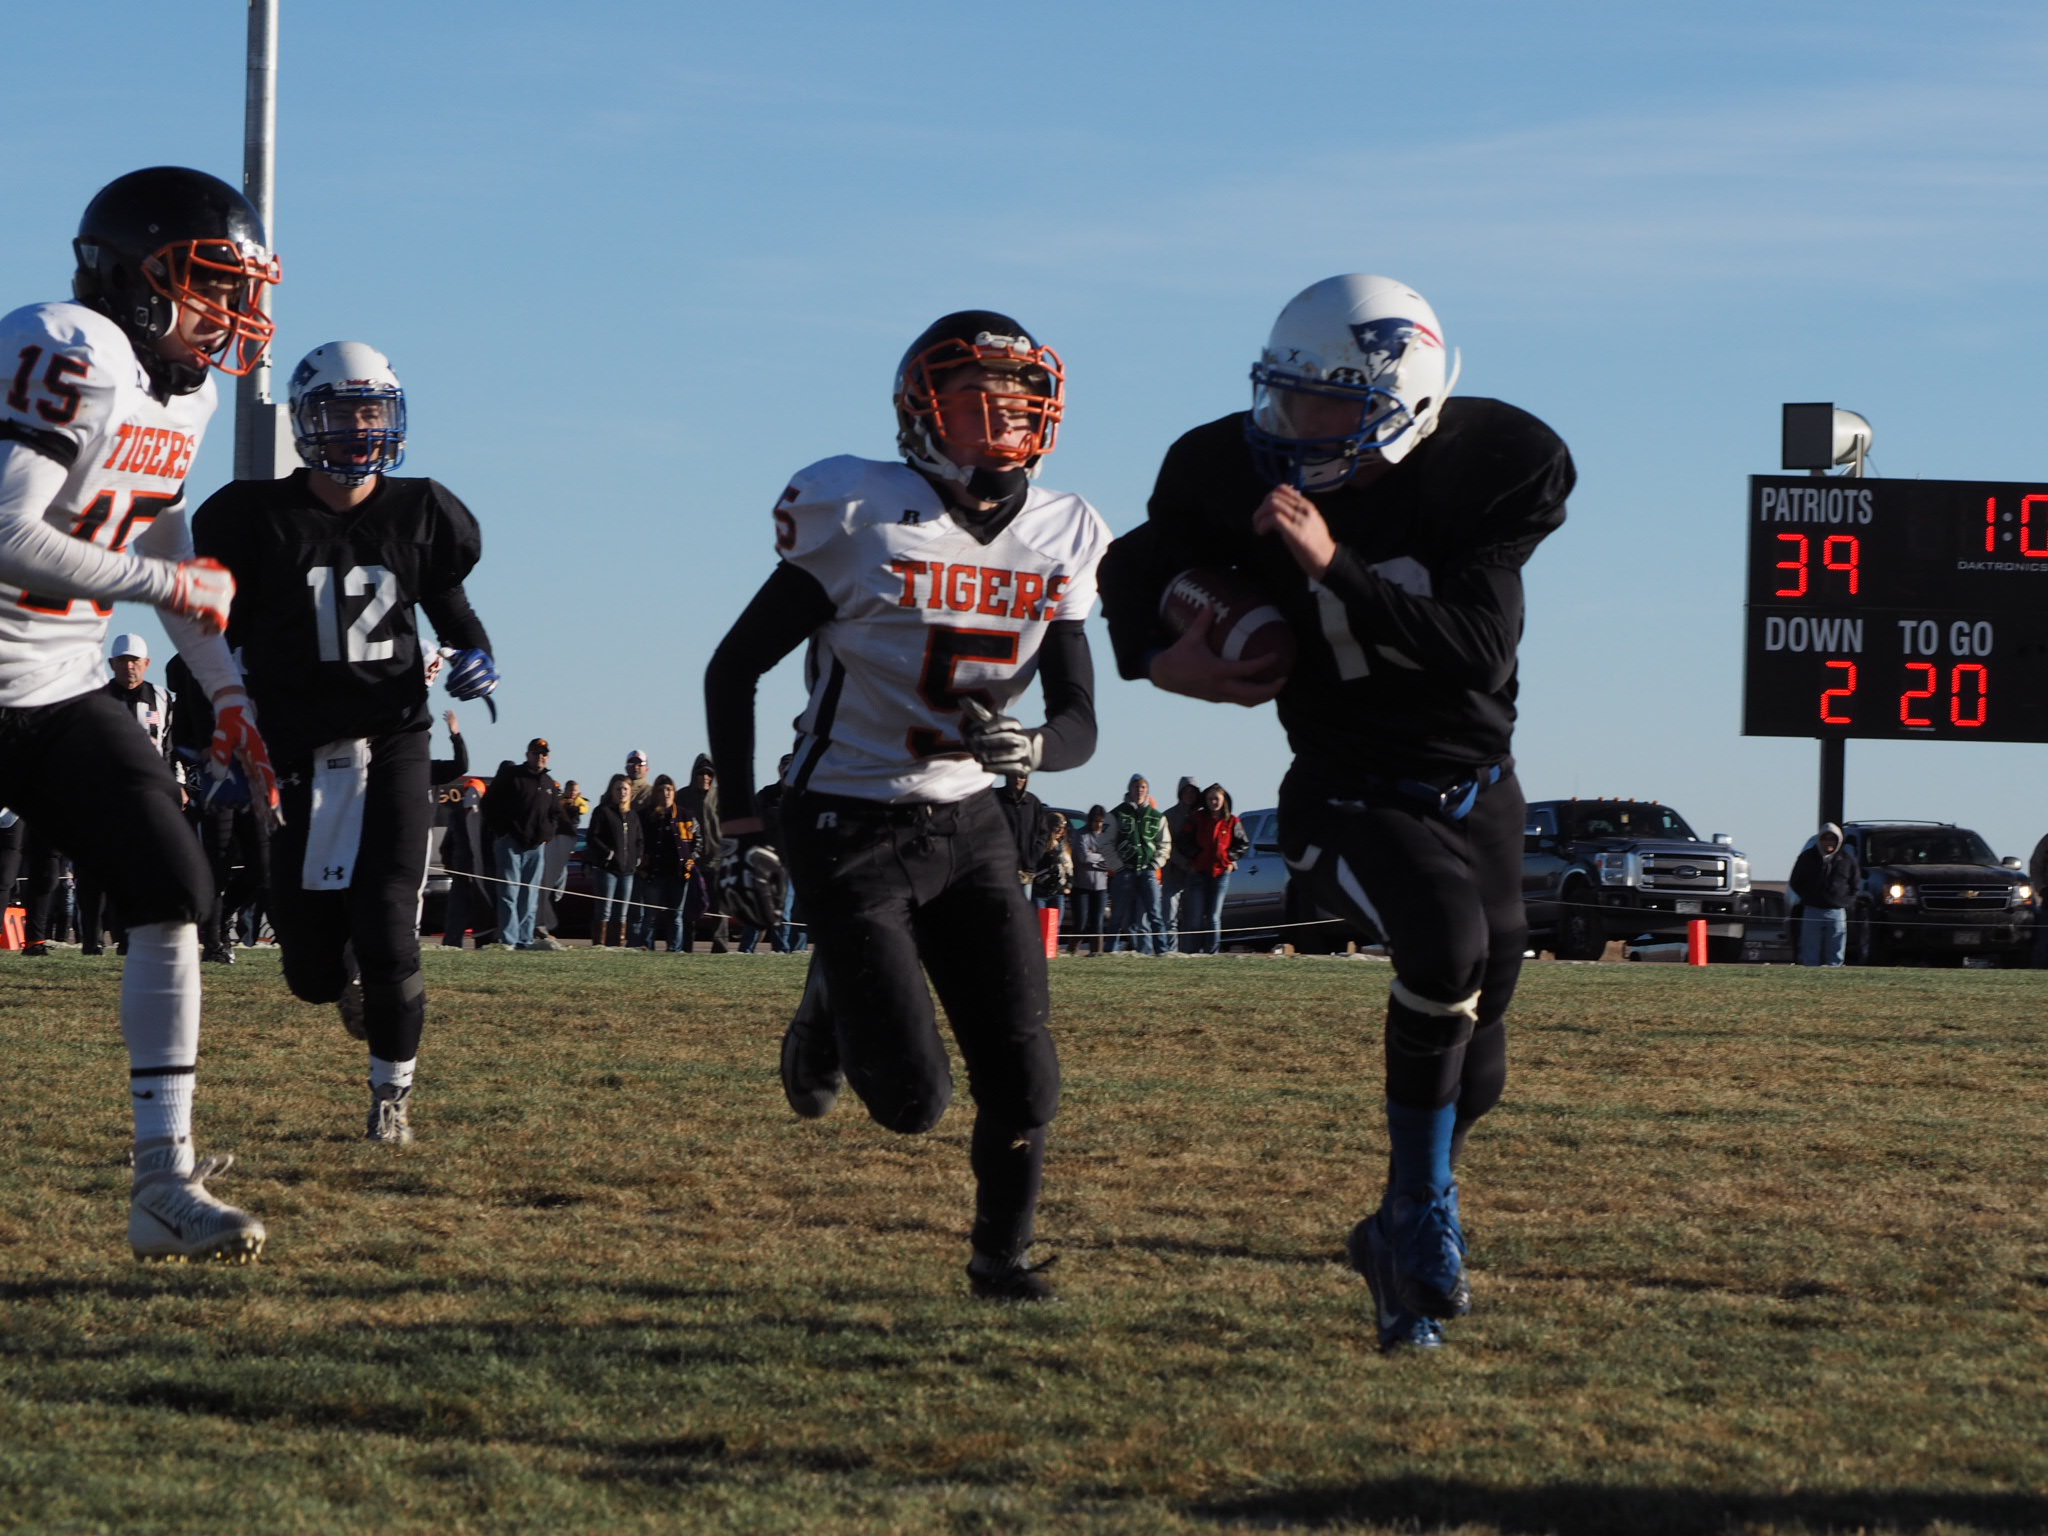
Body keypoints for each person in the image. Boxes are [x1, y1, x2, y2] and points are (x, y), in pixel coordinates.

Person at [1099, 274, 1573, 1352]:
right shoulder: (1223, 465)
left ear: (1398, 401)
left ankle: (1389, 1234)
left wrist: (1332, 565)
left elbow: (1472, 647)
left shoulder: (1490, 469)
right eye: (1282, 396)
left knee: (1477, 1064)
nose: (1289, 426)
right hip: (1344, 787)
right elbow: (1136, 560)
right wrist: (1155, 660)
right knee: (1442, 947)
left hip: (1474, 790)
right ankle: (1416, 1221)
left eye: (1321, 405)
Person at [705, 308, 1108, 1301]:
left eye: (1018, 402)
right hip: (845, 817)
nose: (1001, 421)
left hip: (967, 820)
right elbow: (733, 670)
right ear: (921, 413)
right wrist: (749, 829)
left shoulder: (1062, 531)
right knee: (912, 1103)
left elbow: (1079, 721)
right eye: (977, 400)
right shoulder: (858, 510)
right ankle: (829, 1005)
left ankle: (999, 1260)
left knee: (1024, 1070)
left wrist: (1037, 752)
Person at [0, 166, 286, 1259]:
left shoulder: (188, 392)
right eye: (212, 286)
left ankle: (162, 1186)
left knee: (177, 888)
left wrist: (227, 693)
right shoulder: (67, 343)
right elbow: (8, 531)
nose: (231, 316)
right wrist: (170, 590)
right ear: (137, 274)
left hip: (61, 683)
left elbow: (161, 532)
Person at [193, 338, 500, 1145]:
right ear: (307, 420)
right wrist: (213, 736)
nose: (360, 428)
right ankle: (344, 981)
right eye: (342, 411)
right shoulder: (250, 518)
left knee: (390, 920)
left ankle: (390, 1096)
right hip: (290, 744)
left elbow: (451, 606)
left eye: (373, 410)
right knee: (309, 968)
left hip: (394, 732)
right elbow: (204, 636)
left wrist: (478, 655)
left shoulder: (423, 510)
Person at [484, 738, 562, 953]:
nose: (541, 757)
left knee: (530, 896)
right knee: (509, 893)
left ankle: (524, 940)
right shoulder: (512, 776)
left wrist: (548, 833)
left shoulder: (549, 783)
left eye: (544, 753)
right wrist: (503, 832)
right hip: (511, 844)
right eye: (536, 752)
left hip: (536, 847)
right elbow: (489, 804)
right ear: (528, 754)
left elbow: (555, 813)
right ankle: (509, 939)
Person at [1180, 783, 1247, 955]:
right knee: (1195, 918)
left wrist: (1230, 858)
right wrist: (1195, 857)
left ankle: (1212, 953)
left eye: (1216, 798)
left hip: (1221, 873)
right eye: (1210, 799)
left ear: (1223, 800)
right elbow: (1183, 842)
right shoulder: (1196, 818)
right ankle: (1193, 952)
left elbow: (1243, 844)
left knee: (1213, 917)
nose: (1213, 802)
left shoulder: (1232, 821)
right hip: (1199, 873)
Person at [1109, 775, 1170, 953]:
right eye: (1136, 787)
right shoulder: (1116, 814)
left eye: (1143, 787)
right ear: (1130, 789)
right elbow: (1105, 842)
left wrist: (1155, 863)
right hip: (1124, 871)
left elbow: (1165, 844)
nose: (1139, 790)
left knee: (1155, 914)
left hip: (1148, 871)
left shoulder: (1157, 817)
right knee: (1118, 915)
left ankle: (1162, 951)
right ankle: (1110, 950)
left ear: (1147, 790)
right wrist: (1117, 865)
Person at [635, 773, 692, 951]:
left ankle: (674, 950)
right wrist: (641, 862)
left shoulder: (685, 816)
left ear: (674, 792)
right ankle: (646, 948)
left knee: (675, 916)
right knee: (650, 915)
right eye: (661, 790)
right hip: (653, 873)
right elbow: (637, 842)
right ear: (655, 793)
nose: (666, 793)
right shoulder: (645, 816)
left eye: (669, 789)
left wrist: (691, 860)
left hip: (678, 874)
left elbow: (698, 841)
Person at [585, 772, 642, 947]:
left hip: (627, 872)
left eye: (625, 789)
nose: (622, 792)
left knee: (622, 913)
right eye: (618, 789)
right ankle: (600, 945)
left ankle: (617, 945)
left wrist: (637, 858)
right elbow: (593, 837)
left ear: (630, 792)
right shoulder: (602, 812)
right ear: (611, 791)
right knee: (605, 911)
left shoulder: (633, 816)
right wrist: (608, 854)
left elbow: (639, 840)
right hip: (607, 870)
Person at [1789, 822, 1858, 967]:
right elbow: (1795, 881)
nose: (1829, 842)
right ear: (1820, 839)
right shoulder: (1807, 857)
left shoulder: (1847, 859)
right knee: (1810, 950)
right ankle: (1810, 976)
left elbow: (1855, 884)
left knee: (1836, 950)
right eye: (1825, 838)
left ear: (1838, 840)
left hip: (1837, 911)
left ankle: (1834, 976)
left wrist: (1846, 901)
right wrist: (1808, 897)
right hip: (1812, 910)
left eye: (1832, 839)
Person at [1161, 776, 1203, 951]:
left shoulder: (1202, 815)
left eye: (1193, 791)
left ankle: (1189, 952)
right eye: (1186, 791)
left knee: (1192, 918)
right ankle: (1170, 952)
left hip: (1196, 875)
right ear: (1180, 793)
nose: (1189, 795)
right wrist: (1183, 863)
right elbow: (1166, 845)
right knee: (1170, 917)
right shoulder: (1168, 816)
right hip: (1173, 874)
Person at [1068, 805, 1114, 956]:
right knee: (1081, 922)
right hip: (1081, 886)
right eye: (1095, 821)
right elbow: (1083, 857)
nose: (1098, 825)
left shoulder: (1107, 836)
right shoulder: (1081, 834)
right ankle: (1072, 950)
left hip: (1101, 887)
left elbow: (1112, 859)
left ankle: (1096, 952)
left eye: (1101, 821)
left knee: (1098, 922)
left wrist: (1094, 856)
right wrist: (1100, 857)